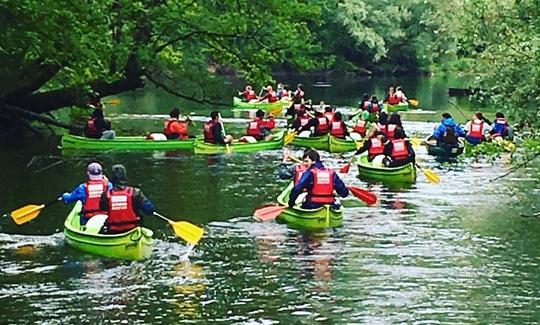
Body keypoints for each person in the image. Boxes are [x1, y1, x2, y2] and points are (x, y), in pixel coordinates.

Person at [99, 164, 154, 234]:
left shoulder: (105, 195)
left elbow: (102, 210)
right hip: (133, 230)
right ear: (125, 177)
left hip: (112, 231)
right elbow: (150, 210)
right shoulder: (136, 192)